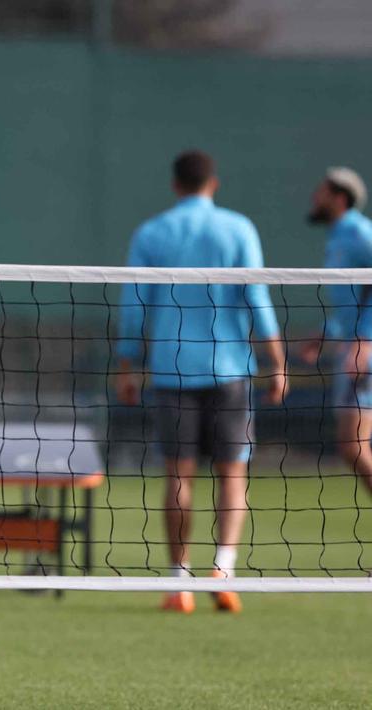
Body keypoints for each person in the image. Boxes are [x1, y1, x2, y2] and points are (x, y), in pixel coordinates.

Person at [115, 150, 288, 615]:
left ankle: (179, 583)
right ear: (213, 182)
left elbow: (135, 303)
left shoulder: (151, 232)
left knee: (177, 475)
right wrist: (278, 362)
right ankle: (223, 570)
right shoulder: (238, 229)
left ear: (175, 185)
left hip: (171, 370)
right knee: (233, 473)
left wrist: (127, 365)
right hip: (231, 370)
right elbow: (257, 296)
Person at [303, 166, 372, 495]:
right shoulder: (337, 237)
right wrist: (325, 332)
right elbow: (352, 304)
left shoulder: (360, 232)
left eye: (322, 191)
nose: (315, 197)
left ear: (340, 198)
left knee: (354, 446)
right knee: (352, 448)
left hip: (364, 353)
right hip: (351, 349)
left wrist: (365, 340)